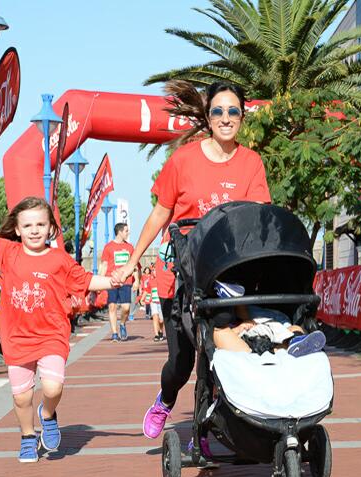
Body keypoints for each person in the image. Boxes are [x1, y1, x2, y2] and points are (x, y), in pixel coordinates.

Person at [111, 80, 271, 439]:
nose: (226, 118)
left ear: (242, 117)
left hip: (230, 273)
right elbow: (159, 215)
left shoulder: (251, 163)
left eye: (233, 111)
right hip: (184, 275)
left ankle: (221, 423)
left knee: (223, 347)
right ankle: (166, 400)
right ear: (208, 117)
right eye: (218, 111)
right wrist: (131, 262)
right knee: (182, 362)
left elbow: (260, 215)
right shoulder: (183, 159)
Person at [0, 172, 118, 462]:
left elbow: (86, 280)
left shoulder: (59, 259)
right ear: (17, 229)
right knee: (21, 397)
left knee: (53, 387)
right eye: (28, 225)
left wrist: (112, 281)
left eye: (41, 224)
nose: (34, 230)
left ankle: (48, 414)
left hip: (51, 334)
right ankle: (28, 436)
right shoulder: (8, 252)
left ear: (51, 228)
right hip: (17, 337)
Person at [99, 223, 140, 342]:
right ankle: (115, 333)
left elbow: (135, 266)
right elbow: (104, 265)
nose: (128, 233)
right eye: (126, 231)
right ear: (120, 232)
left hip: (125, 281)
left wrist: (136, 280)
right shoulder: (108, 247)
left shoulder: (130, 247)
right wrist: (100, 282)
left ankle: (122, 323)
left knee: (126, 308)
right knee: (112, 307)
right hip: (111, 281)